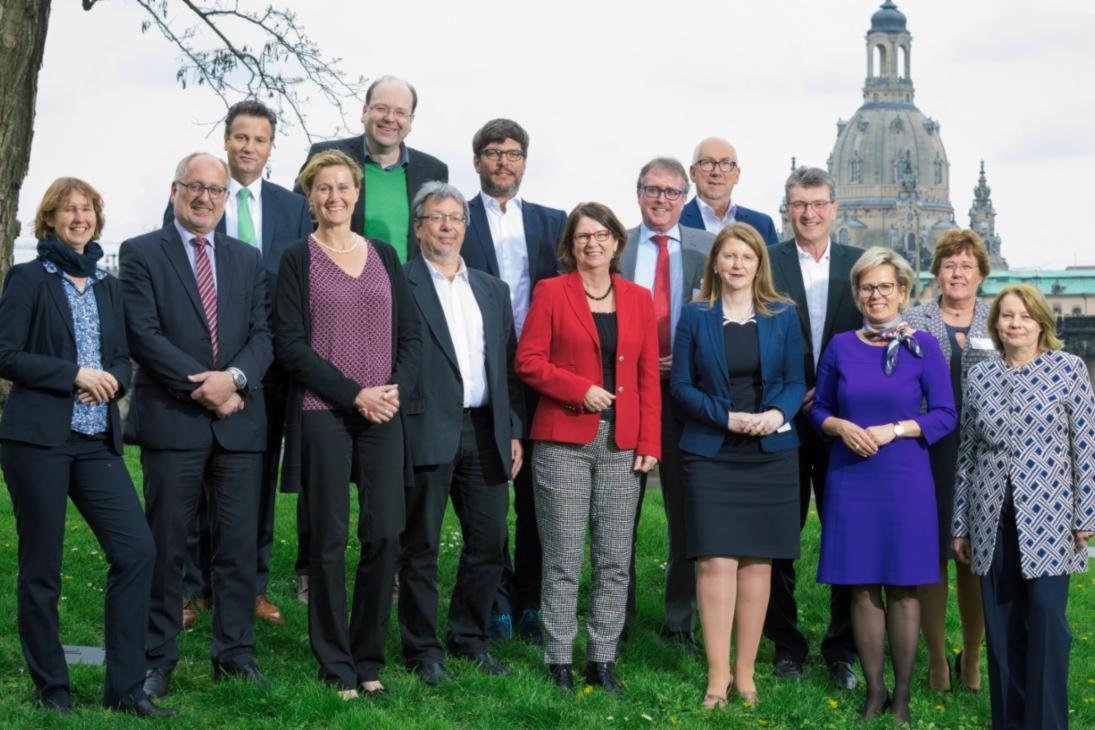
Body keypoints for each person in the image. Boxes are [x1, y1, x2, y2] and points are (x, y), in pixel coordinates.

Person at [0, 179, 174, 718]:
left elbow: (121, 358)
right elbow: (6, 354)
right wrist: (73, 374)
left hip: (96, 440)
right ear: (48, 219)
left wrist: (112, 381)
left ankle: (124, 690)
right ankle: (52, 688)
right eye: (69, 210)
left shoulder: (106, 283)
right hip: (37, 442)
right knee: (42, 567)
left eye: (88, 209)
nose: (80, 217)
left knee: (136, 551)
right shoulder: (28, 279)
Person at [121, 153, 274, 700]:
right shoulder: (141, 252)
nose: (205, 197)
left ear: (226, 199)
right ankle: (156, 657)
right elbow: (142, 334)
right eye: (195, 187)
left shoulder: (248, 258)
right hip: (173, 423)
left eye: (215, 189)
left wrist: (232, 379)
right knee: (166, 547)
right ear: (175, 190)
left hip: (238, 425)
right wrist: (202, 388)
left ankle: (234, 655)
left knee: (236, 547)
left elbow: (264, 335)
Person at [274, 149, 421, 698]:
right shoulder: (297, 258)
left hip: (382, 411)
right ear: (310, 197)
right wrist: (352, 394)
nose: (334, 197)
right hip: (323, 412)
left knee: (384, 534)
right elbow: (290, 345)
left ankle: (368, 657)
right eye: (323, 189)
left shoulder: (384, 254)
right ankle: (334, 662)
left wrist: (390, 392)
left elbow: (409, 337)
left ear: (357, 193)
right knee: (328, 541)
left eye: (343, 187)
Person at [165, 99, 314, 627]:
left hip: (268, 363)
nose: (249, 147)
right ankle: (194, 586)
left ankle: (251, 584)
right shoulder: (198, 195)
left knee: (254, 479)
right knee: (194, 476)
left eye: (260, 140)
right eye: (241, 137)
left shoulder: (293, 208)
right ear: (227, 140)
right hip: (204, 366)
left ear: (272, 149)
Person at [516, 202, 660, 693]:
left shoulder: (638, 299)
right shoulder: (552, 292)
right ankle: (558, 659)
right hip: (563, 439)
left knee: (615, 558)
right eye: (582, 237)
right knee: (561, 555)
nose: (592, 243)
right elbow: (529, 361)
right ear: (570, 246)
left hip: (623, 443)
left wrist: (649, 442)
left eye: (601, 235)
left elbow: (647, 379)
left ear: (618, 242)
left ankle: (602, 659)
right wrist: (577, 389)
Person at [811, 246, 956, 724]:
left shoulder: (924, 347)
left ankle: (903, 697)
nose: (876, 295)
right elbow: (818, 407)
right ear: (857, 293)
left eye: (885, 287)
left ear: (903, 292)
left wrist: (895, 429)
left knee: (905, 586)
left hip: (904, 476)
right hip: (851, 475)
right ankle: (874, 692)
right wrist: (838, 427)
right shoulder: (840, 346)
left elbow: (944, 414)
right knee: (860, 586)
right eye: (867, 287)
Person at [670, 223, 805, 708]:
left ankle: (746, 674)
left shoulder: (783, 315)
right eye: (728, 256)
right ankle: (717, 675)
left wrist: (774, 415)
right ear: (716, 264)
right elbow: (681, 386)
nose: (737, 264)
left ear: (758, 264)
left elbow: (795, 381)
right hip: (711, 451)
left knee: (757, 563)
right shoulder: (695, 315)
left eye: (745, 256)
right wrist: (726, 417)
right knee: (716, 561)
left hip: (770, 452)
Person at [399, 182, 525, 685]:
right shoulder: (401, 284)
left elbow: (507, 367)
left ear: (466, 227)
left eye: (455, 217)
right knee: (421, 545)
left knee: (490, 541)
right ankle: (421, 648)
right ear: (419, 226)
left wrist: (512, 429)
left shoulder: (492, 289)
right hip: (425, 428)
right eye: (436, 217)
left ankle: (467, 636)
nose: (447, 225)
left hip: (485, 430)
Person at [954, 284, 1095, 730]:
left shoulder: (1068, 369)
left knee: (1048, 622)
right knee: (1002, 626)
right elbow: (967, 453)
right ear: (996, 324)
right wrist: (960, 523)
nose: (1014, 324)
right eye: (1006, 316)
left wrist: (1086, 515)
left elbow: (1086, 448)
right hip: (990, 516)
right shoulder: (980, 376)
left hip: (1051, 517)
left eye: (1023, 316)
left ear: (1041, 323)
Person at [461, 118, 566, 643]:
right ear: (477, 160)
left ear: (525, 161)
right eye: (493, 152)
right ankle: (495, 598)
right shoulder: (456, 220)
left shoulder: (553, 223)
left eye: (513, 153)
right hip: (481, 370)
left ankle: (531, 600)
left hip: (540, 372)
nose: (503, 162)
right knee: (492, 489)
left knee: (537, 496)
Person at [766, 166, 861, 689]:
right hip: (783, 418)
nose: (809, 213)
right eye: (800, 204)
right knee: (781, 537)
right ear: (788, 208)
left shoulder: (858, 264)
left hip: (843, 421)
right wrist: (791, 390)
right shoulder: (768, 261)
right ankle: (786, 645)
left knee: (844, 534)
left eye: (818, 203)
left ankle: (843, 648)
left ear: (834, 207)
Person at [621, 157, 713, 653]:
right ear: (638, 194)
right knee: (618, 513)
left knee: (687, 515)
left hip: (685, 396)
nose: (662, 199)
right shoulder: (617, 246)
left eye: (673, 192)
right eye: (653, 190)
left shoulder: (709, 249)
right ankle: (617, 617)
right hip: (626, 396)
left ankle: (681, 623)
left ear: (685, 198)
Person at [905, 229, 998, 692]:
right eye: (948, 264)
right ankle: (938, 657)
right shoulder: (914, 319)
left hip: (985, 456)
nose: (957, 273)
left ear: (981, 272)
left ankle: (974, 655)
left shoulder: (1001, 319)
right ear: (936, 270)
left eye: (966, 265)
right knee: (933, 556)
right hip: (930, 453)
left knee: (975, 559)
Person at [295, 75, 448, 262]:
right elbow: (296, 219)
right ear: (365, 111)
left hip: (408, 287)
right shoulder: (327, 156)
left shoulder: (433, 171)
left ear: (411, 121)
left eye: (400, 112)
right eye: (381, 108)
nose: (390, 118)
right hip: (337, 281)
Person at [680, 137, 779, 245]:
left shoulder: (763, 225)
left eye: (725, 163)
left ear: (737, 175)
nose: (716, 172)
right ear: (693, 173)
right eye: (707, 162)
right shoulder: (674, 221)